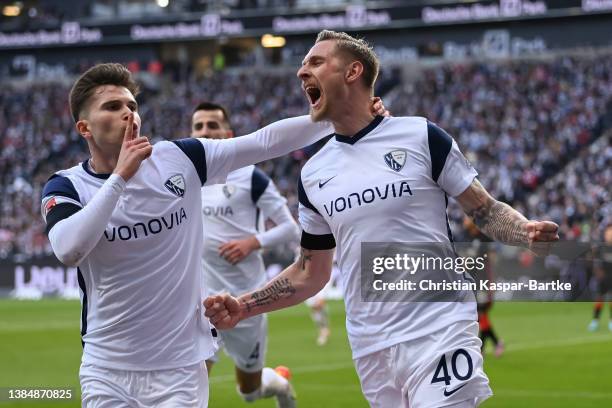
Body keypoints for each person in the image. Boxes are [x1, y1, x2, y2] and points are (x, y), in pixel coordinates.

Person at [204, 30, 559, 408]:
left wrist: (521, 229)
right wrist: (244, 306)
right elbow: (311, 271)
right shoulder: (314, 173)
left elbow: (484, 209)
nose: (301, 71)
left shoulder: (421, 136)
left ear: (353, 71)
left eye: (316, 62)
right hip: (371, 343)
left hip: (439, 326)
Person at [40, 62, 340, 407]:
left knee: (249, 389)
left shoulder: (180, 158)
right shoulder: (66, 186)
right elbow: (68, 249)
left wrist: (339, 116)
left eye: (132, 106)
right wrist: (120, 177)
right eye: (112, 106)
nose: (128, 113)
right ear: (84, 127)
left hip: (180, 367)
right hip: (107, 367)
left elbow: (265, 141)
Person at [191, 102, 298, 407]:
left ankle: (279, 384)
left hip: (245, 299)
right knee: (191, 379)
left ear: (228, 132)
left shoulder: (251, 177)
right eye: (198, 126)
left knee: (249, 392)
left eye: (212, 125)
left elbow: (290, 229)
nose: (205, 131)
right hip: (201, 299)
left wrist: (253, 242)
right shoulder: (188, 177)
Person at [588, 223, 612, 331]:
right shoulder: (601, 248)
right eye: (608, 233)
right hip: (603, 277)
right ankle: (595, 320)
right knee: (599, 299)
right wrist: (597, 272)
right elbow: (594, 260)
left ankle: (611, 321)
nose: (609, 235)